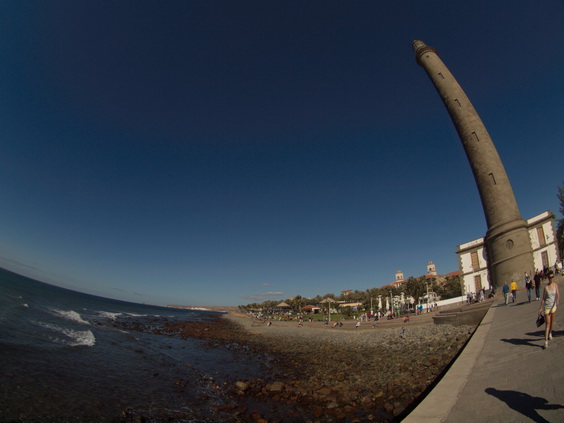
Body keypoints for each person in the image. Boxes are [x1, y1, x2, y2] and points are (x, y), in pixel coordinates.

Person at [538, 271, 559, 349]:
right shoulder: (546, 288)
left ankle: (550, 333)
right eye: (550, 277)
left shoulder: (555, 285)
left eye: (552, 277)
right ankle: (546, 341)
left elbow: (557, 294)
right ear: (548, 278)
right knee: (547, 324)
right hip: (547, 307)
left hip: (553, 307)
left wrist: (557, 301)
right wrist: (540, 308)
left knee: (552, 323)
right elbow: (543, 299)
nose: (551, 279)